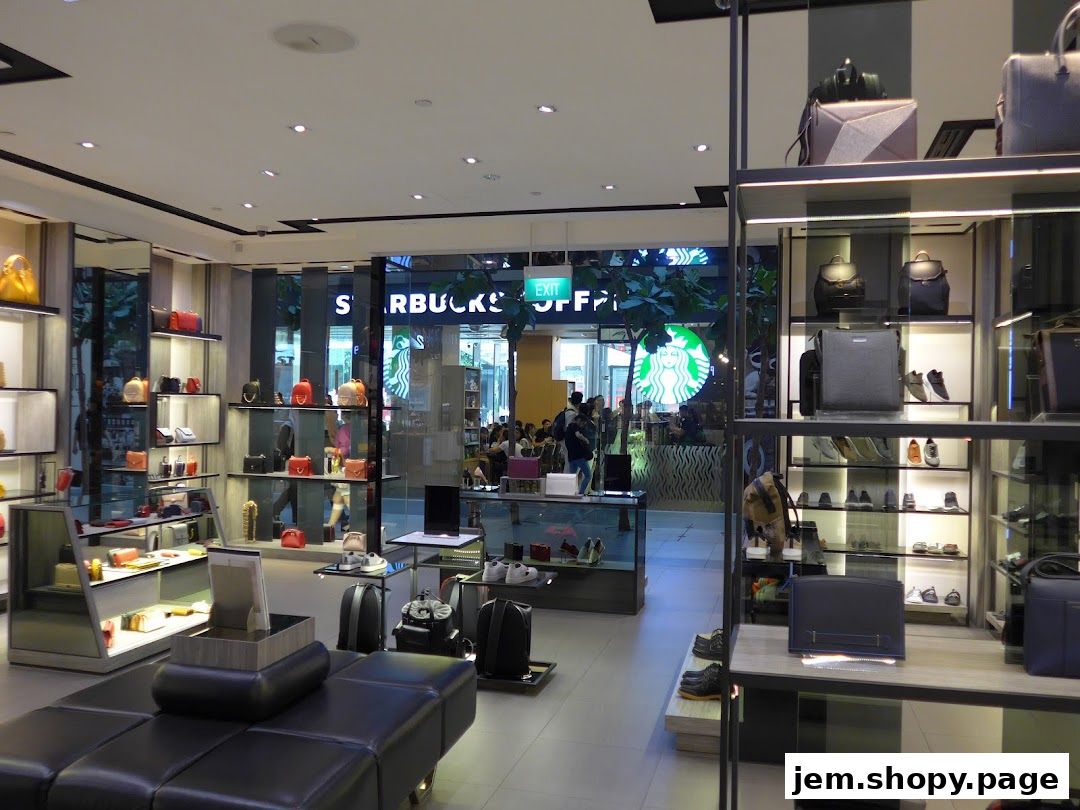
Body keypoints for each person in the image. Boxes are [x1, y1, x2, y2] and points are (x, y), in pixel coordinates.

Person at [564, 413, 594, 494]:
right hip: (579, 456)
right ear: (579, 420)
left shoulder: (568, 427)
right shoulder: (575, 426)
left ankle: (570, 493)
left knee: (572, 476)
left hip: (571, 456)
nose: (583, 425)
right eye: (583, 423)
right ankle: (581, 493)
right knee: (588, 475)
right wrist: (585, 440)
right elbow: (578, 435)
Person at [553, 391, 583, 471]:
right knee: (569, 462)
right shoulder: (572, 413)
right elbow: (569, 428)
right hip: (567, 440)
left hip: (564, 439)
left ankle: (568, 478)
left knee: (569, 461)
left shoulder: (567, 409)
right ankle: (567, 479)